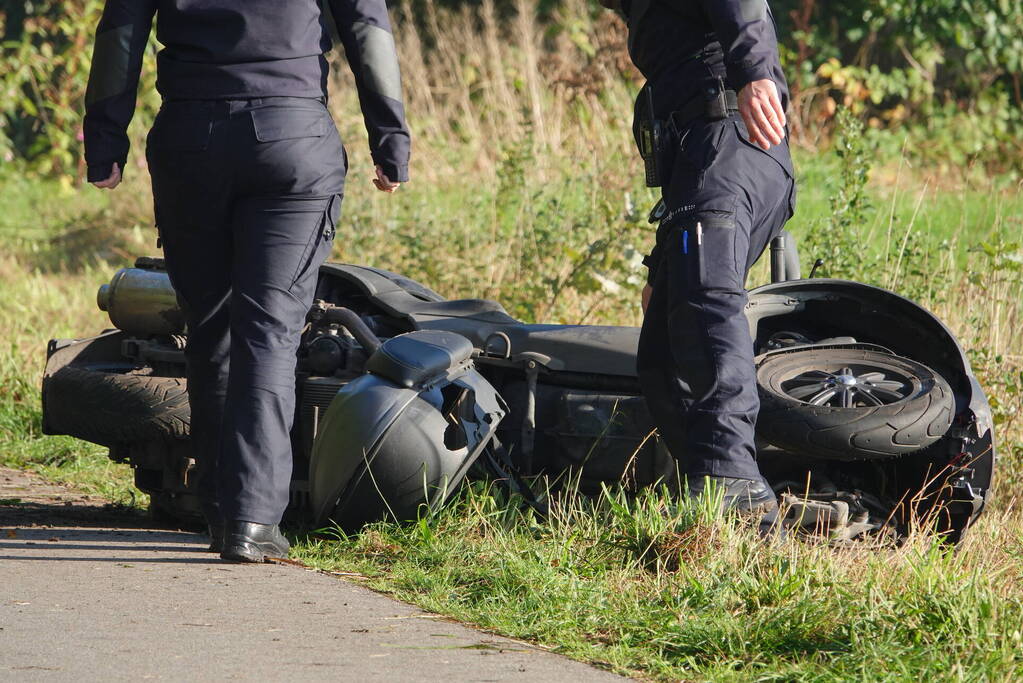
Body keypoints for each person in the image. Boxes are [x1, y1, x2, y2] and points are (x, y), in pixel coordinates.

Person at [83, 0, 410, 562]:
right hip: (292, 138)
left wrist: (105, 139)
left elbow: (120, 31)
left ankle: (217, 508)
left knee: (210, 327)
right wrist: (391, 139)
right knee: (270, 329)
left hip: (191, 142)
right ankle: (253, 518)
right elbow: (367, 27)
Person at [607, 0, 796, 515]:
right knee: (662, 353)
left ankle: (733, 481)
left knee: (706, 304)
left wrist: (755, 71)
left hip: (732, 142)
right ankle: (722, 498)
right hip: (703, 160)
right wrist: (662, 259)